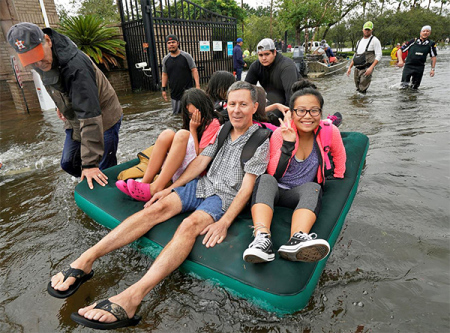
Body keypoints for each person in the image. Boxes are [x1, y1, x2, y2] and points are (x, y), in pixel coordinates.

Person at [48, 81, 270, 330]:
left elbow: (248, 186)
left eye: (243, 104)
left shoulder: (261, 139)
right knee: (156, 207)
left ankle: (132, 297)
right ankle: (86, 260)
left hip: (226, 197)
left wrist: (225, 221)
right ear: (225, 105)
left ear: (254, 107)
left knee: (190, 225)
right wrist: (170, 188)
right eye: (232, 104)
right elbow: (200, 163)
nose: (236, 110)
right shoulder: (223, 129)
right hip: (203, 185)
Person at [7, 22, 123, 190]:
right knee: (68, 162)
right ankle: (90, 182)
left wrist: (90, 164)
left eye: (38, 56)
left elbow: (89, 114)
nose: (38, 64)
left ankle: (108, 191)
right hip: (74, 116)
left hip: (102, 116)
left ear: (48, 40)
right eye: (31, 59)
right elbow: (53, 85)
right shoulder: (41, 61)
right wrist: (60, 105)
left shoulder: (77, 66)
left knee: (103, 169)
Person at [243, 79, 346, 263]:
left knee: (314, 187)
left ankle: (297, 238)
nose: (308, 116)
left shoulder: (329, 132)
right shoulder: (279, 134)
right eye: (301, 111)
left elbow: (339, 156)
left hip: (299, 192)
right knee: (265, 179)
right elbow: (274, 172)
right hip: (275, 189)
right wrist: (288, 145)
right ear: (291, 113)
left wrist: (339, 176)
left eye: (314, 110)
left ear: (320, 113)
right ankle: (262, 239)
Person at [116, 88, 223, 201]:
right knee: (167, 134)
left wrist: (193, 129)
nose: (193, 118)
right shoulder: (193, 122)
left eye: (195, 114)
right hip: (181, 167)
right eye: (190, 115)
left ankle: (157, 187)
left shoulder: (212, 124)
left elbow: (200, 158)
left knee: (182, 134)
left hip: (194, 171)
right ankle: (145, 183)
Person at [245, 38, 299, 120]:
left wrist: (288, 115)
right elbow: (246, 89)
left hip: (296, 100)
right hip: (274, 101)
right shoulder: (256, 66)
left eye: (267, 54)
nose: (263, 58)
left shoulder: (287, 66)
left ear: (274, 52)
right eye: (260, 55)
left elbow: (291, 94)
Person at [161, 34, 200, 114]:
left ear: (178, 43)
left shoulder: (186, 56)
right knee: (176, 114)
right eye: (169, 43)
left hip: (187, 92)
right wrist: (163, 89)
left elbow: (194, 70)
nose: (171, 44)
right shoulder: (166, 59)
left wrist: (197, 86)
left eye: (173, 42)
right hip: (174, 93)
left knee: (189, 113)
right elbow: (164, 74)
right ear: (167, 45)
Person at [346, 21, 382, 94]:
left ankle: (362, 104)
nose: (367, 31)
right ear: (362, 29)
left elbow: (379, 55)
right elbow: (355, 56)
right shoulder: (359, 41)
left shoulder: (375, 40)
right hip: (357, 68)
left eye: (368, 29)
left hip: (366, 69)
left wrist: (371, 68)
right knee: (357, 89)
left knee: (362, 90)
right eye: (365, 29)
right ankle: (358, 103)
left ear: (372, 30)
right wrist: (349, 67)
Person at [397, 25, 437, 89]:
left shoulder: (431, 44)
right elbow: (400, 50)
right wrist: (400, 60)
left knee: (415, 87)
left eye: (427, 31)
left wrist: (432, 69)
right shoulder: (413, 41)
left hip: (420, 67)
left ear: (429, 33)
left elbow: (433, 57)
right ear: (420, 33)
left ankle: (414, 98)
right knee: (403, 86)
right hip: (408, 66)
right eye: (424, 31)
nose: (425, 33)